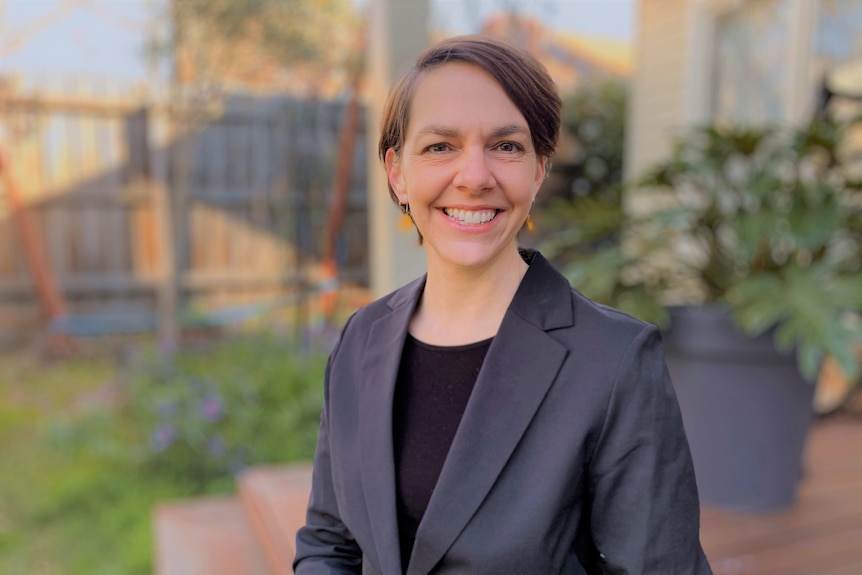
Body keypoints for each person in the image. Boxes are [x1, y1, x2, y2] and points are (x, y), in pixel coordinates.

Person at [294, 35, 713, 575]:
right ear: (398, 173)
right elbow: (330, 543)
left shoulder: (614, 361)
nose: (474, 176)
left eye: (506, 146)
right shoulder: (361, 338)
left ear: (539, 169)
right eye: (440, 146)